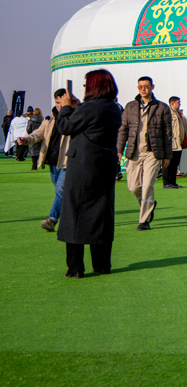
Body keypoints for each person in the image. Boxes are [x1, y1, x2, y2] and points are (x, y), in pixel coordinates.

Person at [55, 69, 122, 278]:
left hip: (82, 167)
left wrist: (66, 108)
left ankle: (75, 268)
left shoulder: (90, 108)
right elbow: (89, 121)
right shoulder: (113, 107)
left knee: (74, 214)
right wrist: (77, 107)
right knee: (102, 214)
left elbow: (65, 126)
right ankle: (102, 264)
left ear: (93, 86)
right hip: (104, 166)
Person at [117, 76, 173, 231]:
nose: (143, 89)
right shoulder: (130, 107)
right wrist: (119, 149)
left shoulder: (162, 107)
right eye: (140, 86)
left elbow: (168, 133)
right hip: (134, 152)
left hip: (153, 153)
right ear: (137, 88)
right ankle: (149, 204)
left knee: (147, 185)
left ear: (152, 87)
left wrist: (167, 156)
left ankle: (144, 220)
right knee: (133, 187)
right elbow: (123, 130)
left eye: (146, 86)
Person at [17, 89, 71, 232]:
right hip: (52, 162)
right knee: (63, 194)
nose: (59, 106)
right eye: (57, 103)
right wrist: (26, 139)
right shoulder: (49, 119)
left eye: (62, 102)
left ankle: (52, 220)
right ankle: (74, 216)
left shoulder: (73, 118)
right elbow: (38, 134)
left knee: (61, 190)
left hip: (67, 162)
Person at [163, 96, 187, 189]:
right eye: (178, 103)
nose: (179, 104)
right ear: (172, 104)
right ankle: (166, 183)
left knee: (175, 163)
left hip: (178, 142)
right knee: (168, 164)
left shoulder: (179, 113)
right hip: (171, 143)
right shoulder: (167, 113)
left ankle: (173, 182)